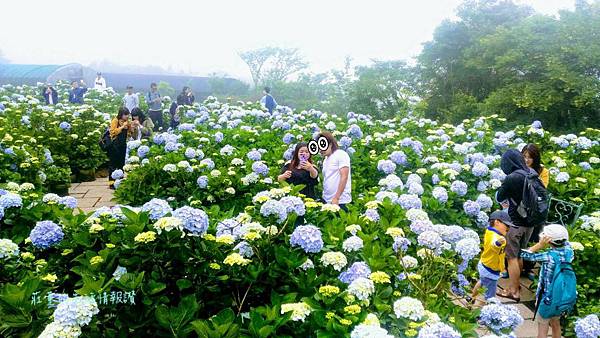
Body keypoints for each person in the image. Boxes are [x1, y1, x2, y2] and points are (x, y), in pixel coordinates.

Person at [521, 224, 575, 338]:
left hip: (547, 298)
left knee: (542, 329)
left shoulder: (548, 256)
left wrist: (540, 245)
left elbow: (525, 255)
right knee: (555, 323)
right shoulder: (569, 251)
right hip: (561, 297)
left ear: (548, 240)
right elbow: (565, 242)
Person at [495, 149, 535, 302]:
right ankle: (516, 285)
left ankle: (513, 292)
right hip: (530, 223)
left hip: (516, 222)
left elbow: (500, 196)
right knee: (518, 254)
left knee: (511, 257)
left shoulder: (512, 177)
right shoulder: (531, 172)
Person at [522, 143, 550, 280]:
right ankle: (512, 266)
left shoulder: (543, 171)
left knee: (533, 239)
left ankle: (528, 269)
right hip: (521, 209)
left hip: (536, 210)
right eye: (524, 156)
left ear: (535, 158)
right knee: (517, 238)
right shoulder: (519, 169)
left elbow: (542, 189)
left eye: (530, 157)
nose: (527, 160)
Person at [470, 211, 510, 305]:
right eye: (506, 225)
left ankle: (471, 298)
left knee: (482, 282)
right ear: (497, 222)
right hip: (490, 270)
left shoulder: (490, 231)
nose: (508, 228)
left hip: (485, 264)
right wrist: (498, 243)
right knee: (490, 297)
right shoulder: (496, 237)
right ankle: (482, 314)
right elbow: (494, 245)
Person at [319, 131, 351, 212]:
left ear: (330, 144)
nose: (321, 150)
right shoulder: (326, 159)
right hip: (327, 200)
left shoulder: (341, 154)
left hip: (340, 201)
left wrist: (336, 198)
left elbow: (344, 176)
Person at [107, 107, 132, 189]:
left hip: (122, 145)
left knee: (121, 164)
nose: (127, 117)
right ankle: (111, 183)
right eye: (125, 115)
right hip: (114, 145)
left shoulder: (126, 122)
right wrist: (122, 127)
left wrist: (130, 127)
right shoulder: (115, 120)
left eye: (128, 115)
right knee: (113, 164)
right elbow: (113, 132)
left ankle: (120, 182)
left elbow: (129, 133)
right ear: (121, 114)